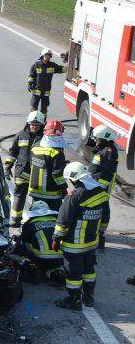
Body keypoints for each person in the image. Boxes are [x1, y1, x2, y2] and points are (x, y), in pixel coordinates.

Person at [52, 162, 110, 310]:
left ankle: (74, 301)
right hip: (91, 243)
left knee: (73, 275)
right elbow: (105, 218)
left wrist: (56, 239)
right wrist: (100, 234)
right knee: (89, 271)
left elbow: (63, 221)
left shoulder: (74, 196)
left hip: (74, 245)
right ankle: (89, 297)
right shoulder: (101, 193)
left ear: (74, 179)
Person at [4, 111, 45, 226]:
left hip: (37, 174)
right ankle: (15, 220)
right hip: (21, 173)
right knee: (19, 196)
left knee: (37, 198)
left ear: (41, 125)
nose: (34, 127)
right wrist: (7, 167)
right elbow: (13, 152)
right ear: (28, 124)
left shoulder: (44, 138)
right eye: (32, 124)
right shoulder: (21, 135)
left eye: (37, 125)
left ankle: (34, 221)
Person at [14, 201, 64, 284]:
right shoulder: (56, 221)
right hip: (59, 257)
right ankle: (52, 273)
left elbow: (25, 240)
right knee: (49, 268)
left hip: (39, 257)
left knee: (20, 247)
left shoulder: (29, 223)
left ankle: (29, 264)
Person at [89, 124, 119, 251]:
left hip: (101, 186)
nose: (95, 141)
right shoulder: (105, 149)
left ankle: (100, 238)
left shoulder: (109, 152)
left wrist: (98, 187)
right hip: (97, 183)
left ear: (104, 139)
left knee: (101, 209)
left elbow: (106, 173)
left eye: (97, 139)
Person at [27, 119, 68, 212]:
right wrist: (64, 189)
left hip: (35, 191)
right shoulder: (56, 152)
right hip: (52, 194)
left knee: (36, 215)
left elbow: (32, 165)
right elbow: (58, 175)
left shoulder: (35, 146)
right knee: (53, 217)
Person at [27, 48, 65, 116]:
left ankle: (43, 120)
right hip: (36, 90)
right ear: (42, 55)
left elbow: (60, 69)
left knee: (44, 108)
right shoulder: (36, 65)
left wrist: (71, 67)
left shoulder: (52, 65)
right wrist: (29, 84)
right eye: (46, 55)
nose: (47, 57)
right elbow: (31, 76)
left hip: (46, 91)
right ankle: (33, 120)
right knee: (34, 107)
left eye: (49, 55)